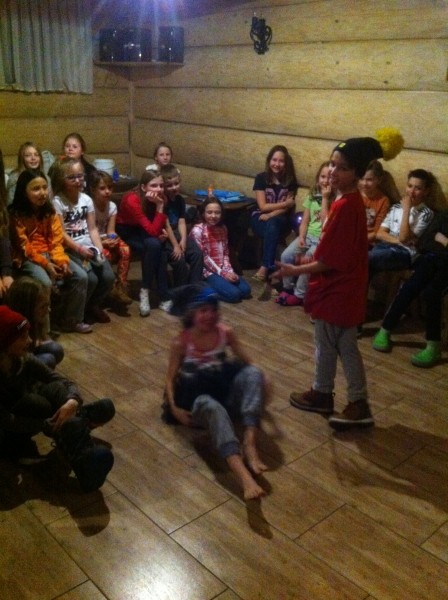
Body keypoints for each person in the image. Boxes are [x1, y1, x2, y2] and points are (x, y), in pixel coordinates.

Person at [276, 130, 404, 429]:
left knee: (333, 345)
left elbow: (330, 261)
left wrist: (294, 270)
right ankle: (329, 394)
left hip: (338, 290)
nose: (333, 171)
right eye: (332, 164)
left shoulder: (347, 205)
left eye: (342, 167)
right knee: (338, 344)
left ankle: (349, 401)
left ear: (356, 173)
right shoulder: (346, 200)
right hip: (344, 287)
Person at [164, 286, 267, 500]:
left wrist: (263, 381)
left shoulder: (225, 332)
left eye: (213, 310)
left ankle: (250, 442)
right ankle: (242, 473)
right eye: (203, 310)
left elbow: (249, 363)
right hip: (197, 398)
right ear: (192, 313)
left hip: (224, 391)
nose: (209, 315)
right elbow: (170, 379)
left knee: (254, 373)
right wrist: (174, 409)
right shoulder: (181, 342)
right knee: (211, 406)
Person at [0, 304, 115, 491]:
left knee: (54, 389)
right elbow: (7, 421)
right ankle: (79, 442)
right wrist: (46, 425)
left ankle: (77, 433)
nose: (29, 341)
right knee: (38, 404)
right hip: (7, 431)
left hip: (23, 410)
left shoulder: (20, 358)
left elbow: (60, 380)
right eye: (22, 337)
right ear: (4, 344)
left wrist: (72, 401)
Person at [8, 169, 91, 334]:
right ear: (24, 192)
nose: (42, 193)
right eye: (36, 189)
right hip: (28, 258)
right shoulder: (16, 214)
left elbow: (56, 241)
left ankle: (70, 320)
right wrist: (46, 264)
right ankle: (43, 331)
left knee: (81, 276)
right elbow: (25, 247)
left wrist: (62, 261)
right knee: (44, 282)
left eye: (44, 187)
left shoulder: (49, 211)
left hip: (50, 254)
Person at [372, 209, 448, 368]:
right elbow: (424, 241)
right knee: (411, 286)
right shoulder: (444, 215)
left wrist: (443, 240)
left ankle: (433, 345)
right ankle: (385, 329)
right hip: (430, 259)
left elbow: (433, 240)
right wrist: (440, 244)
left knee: (432, 293)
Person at [50, 157, 115, 326]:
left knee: (108, 276)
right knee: (90, 279)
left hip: (88, 245)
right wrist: (79, 249)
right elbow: (61, 234)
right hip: (70, 248)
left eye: (80, 176)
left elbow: (92, 229)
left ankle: (91, 306)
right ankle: (76, 314)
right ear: (62, 180)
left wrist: (100, 249)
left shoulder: (86, 199)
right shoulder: (58, 202)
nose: (78, 180)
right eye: (72, 177)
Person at [116, 169, 172, 316]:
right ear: (143, 187)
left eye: (161, 185)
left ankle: (150, 291)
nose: (159, 189)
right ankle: (157, 294)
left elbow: (155, 228)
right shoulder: (132, 199)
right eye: (154, 185)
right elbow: (152, 230)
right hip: (127, 230)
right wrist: (160, 208)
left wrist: (162, 234)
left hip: (145, 228)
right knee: (155, 246)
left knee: (157, 246)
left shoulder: (161, 198)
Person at [277, 161, 333, 307]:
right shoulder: (312, 195)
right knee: (286, 255)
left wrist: (325, 198)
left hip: (322, 240)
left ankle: (299, 294)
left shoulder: (335, 199)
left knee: (308, 259)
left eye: (329, 177)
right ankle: (287, 288)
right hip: (308, 236)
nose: (325, 181)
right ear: (318, 178)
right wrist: (301, 236)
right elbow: (305, 221)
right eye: (322, 177)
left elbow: (326, 223)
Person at [368, 169, 435, 278]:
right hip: (385, 246)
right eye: (410, 186)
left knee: (364, 259)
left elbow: (404, 237)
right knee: (365, 265)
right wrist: (399, 241)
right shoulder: (396, 207)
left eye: (418, 188)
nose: (411, 192)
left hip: (404, 252)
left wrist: (406, 210)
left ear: (426, 191)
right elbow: (380, 233)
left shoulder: (426, 213)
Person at [250, 145, 298, 282]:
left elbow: (287, 209)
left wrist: (271, 215)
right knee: (272, 229)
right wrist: (285, 204)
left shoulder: (290, 180)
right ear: (269, 160)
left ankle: (265, 267)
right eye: (274, 160)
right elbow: (263, 206)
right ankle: (269, 267)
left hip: (279, 219)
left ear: (286, 163)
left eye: (281, 161)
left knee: (273, 225)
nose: (277, 164)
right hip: (259, 217)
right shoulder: (261, 178)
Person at [190, 197, 251, 303]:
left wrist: (229, 271)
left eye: (217, 213)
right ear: (203, 213)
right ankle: (203, 289)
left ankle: (222, 285)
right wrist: (223, 274)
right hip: (208, 272)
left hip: (223, 269)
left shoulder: (223, 228)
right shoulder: (197, 231)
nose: (213, 216)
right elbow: (204, 258)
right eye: (209, 212)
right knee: (234, 295)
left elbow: (225, 253)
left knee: (246, 291)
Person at [90, 170, 133, 306]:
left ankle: (121, 286)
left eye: (110, 187)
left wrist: (114, 238)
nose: (107, 191)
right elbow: (88, 232)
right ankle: (110, 287)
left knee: (125, 249)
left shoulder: (112, 206)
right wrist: (103, 242)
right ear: (93, 190)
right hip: (91, 240)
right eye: (102, 188)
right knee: (106, 254)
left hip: (105, 238)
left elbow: (111, 231)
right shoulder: (89, 206)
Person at [6, 277, 64, 369]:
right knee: (48, 359)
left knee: (56, 349)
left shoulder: (26, 322)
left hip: (23, 356)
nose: (48, 310)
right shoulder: (16, 327)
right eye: (43, 307)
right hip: (13, 367)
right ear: (27, 307)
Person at [160, 163, 203, 284]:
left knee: (197, 253)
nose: (174, 187)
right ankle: (181, 288)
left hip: (178, 232)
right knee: (179, 258)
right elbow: (166, 225)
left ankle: (194, 286)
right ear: (163, 186)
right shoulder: (162, 201)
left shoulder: (180, 200)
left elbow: (181, 221)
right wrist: (175, 245)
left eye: (176, 184)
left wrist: (184, 239)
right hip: (167, 235)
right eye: (169, 185)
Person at [359, 160, 393, 246]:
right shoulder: (354, 194)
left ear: (379, 180)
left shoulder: (383, 201)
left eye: (369, 180)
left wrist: (359, 242)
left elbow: (377, 231)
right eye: (362, 179)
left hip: (368, 242)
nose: (364, 183)